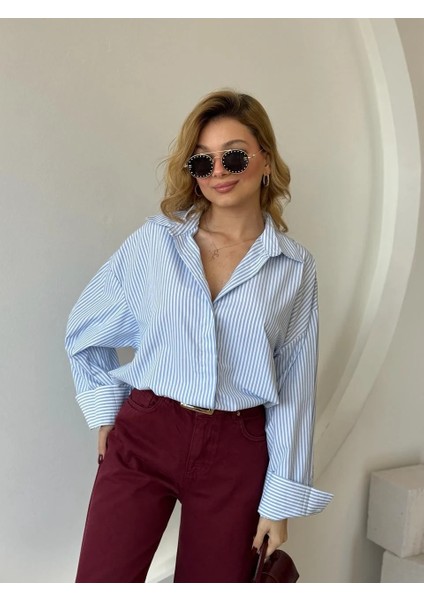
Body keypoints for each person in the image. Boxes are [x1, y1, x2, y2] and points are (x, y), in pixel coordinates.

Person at [65, 88, 333, 583]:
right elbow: (86, 326)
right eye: (202, 161)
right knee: (100, 582)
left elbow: (295, 386)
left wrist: (280, 499)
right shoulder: (156, 242)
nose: (218, 172)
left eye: (234, 156)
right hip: (146, 430)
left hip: (236, 448)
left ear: (265, 160)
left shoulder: (294, 267)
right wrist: (105, 410)